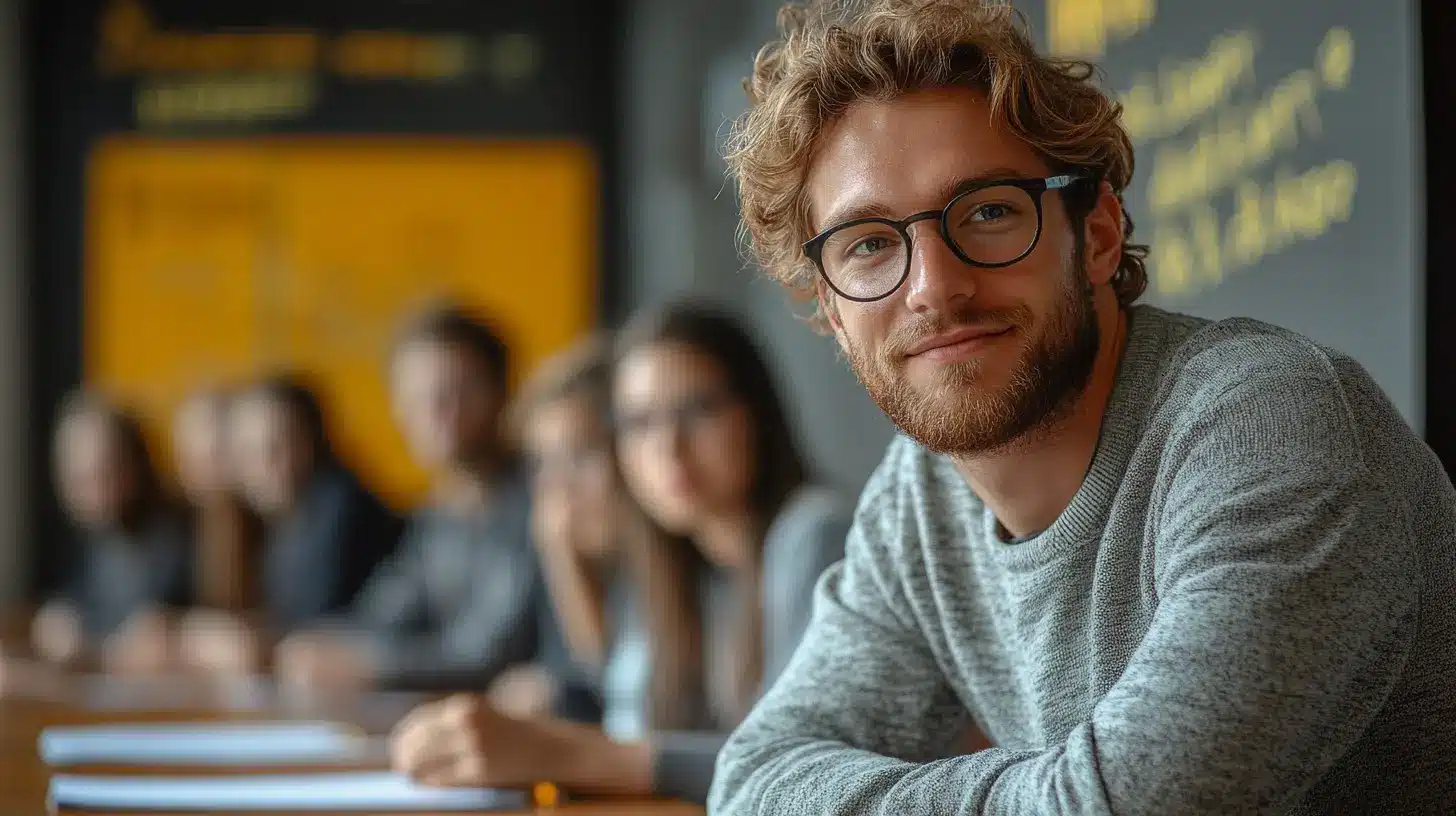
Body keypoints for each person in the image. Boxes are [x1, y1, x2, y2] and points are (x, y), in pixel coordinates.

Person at [701, 1, 1456, 813]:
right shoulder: (919, 498)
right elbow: (754, 781)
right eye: (870, 244)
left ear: (1096, 235)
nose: (933, 287)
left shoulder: (1271, 425)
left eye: (988, 212)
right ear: (834, 313)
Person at [389, 303, 852, 804]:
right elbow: (637, 719)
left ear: (757, 414)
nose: (669, 447)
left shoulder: (815, 534)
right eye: (641, 422)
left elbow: (795, 767)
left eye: (698, 410)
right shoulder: (681, 563)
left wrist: (558, 751)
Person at [273, 304, 547, 693]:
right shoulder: (437, 515)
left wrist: (367, 665)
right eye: (418, 396)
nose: (438, 412)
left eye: (457, 391)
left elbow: (486, 655)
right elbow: (382, 616)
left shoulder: (538, 503)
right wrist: (300, 646)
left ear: (503, 392)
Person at [186, 374, 402, 672]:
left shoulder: (342, 508)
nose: (267, 465)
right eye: (250, 452)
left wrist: (209, 639)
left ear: (314, 442)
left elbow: (313, 625)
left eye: (280, 445)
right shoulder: (276, 521)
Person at [32, 391, 190, 674]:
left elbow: (155, 636)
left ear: (136, 464)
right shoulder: (101, 542)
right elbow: (80, 606)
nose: (94, 492)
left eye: (104, 472)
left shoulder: (177, 536)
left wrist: (92, 650)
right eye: (79, 478)